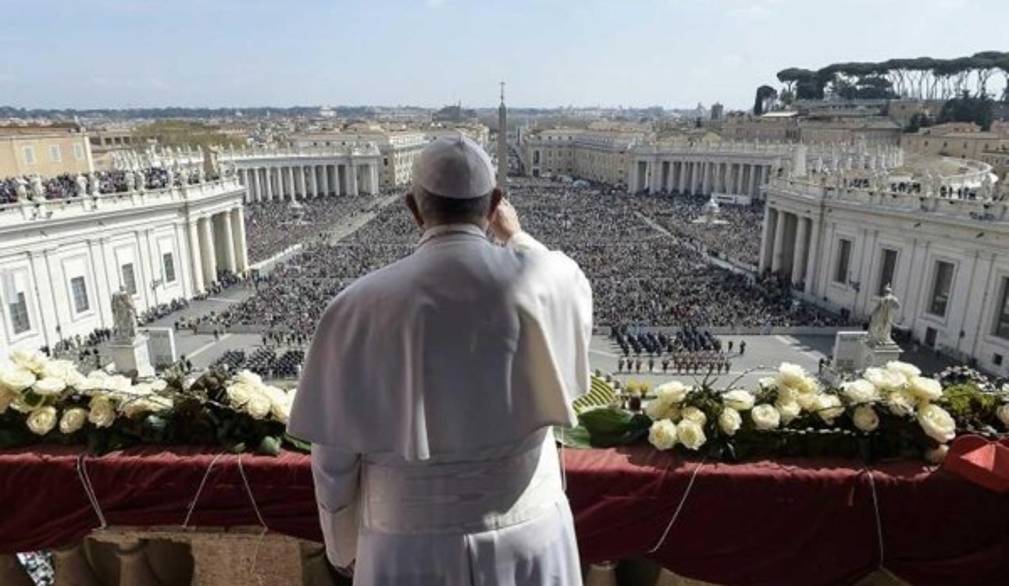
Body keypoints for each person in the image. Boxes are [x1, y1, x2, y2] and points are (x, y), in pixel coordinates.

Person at [288, 136, 592, 586]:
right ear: (494, 204)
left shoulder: (357, 305)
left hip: (408, 545)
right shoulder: (551, 280)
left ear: (413, 208)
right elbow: (554, 270)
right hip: (530, 533)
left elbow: (333, 461)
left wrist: (341, 545)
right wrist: (515, 235)